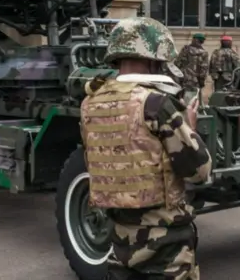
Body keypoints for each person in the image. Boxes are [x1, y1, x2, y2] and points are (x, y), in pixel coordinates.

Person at [80, 17, 212, 280]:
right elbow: (200, 171)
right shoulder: (156, 103)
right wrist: (191, 128)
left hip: (120, 239)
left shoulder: (90, 103)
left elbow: (94, 163)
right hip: (165, 245)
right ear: (154, 58)